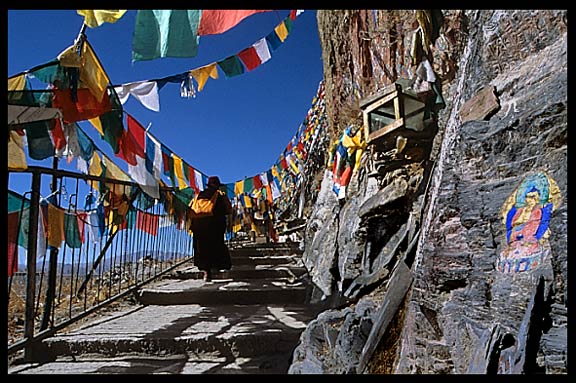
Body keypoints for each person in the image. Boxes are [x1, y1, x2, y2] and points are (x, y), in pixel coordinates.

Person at [190, 176, 233, 282]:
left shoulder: (198, 195)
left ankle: (206, 272)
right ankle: (216, 268)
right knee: (215, 246)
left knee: (202, 249)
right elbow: (228, 210)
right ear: (217, 186)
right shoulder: (220, 195)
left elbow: (191, 209)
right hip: (214, 226)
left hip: (199, 227)